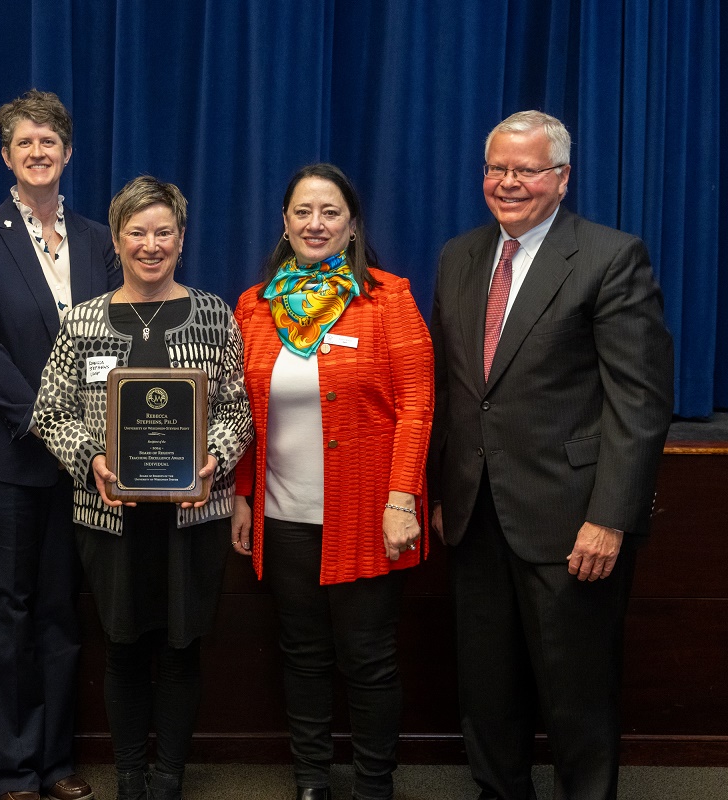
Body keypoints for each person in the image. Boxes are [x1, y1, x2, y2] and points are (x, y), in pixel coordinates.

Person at [429, 111, 673, 800]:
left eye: (525, 170)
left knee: (578, 700)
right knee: (487, 695)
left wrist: (611, 518)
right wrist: (443, 493)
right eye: (496, 169)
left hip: (571, 525)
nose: (508, 183)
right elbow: (457, 392)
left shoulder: (610, 256)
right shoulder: (459, 256)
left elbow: (639, 402)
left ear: (561, 178)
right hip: (475, 518)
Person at [33, 176, 252, 800]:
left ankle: (169, 777)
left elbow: (238, 409)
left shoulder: (215, 314)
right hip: (109, 515)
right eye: (137, 232)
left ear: (181, 239)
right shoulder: (82, 321)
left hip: (194, 513)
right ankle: (130, 774)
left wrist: (214, 459)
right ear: (118, 239)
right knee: (123, 644)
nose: (149, 245)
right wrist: (94, 458)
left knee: (183, 647)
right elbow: (52, 412)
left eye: (163, 232)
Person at [230, 163, 434, 800]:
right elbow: (240, 411)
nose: (316, 224)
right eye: (303, 213)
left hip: (370, 516)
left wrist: (403, 497)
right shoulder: (255, 307)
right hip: (284, 515)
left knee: (369, 661)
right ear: (285, 225)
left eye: (330, 213)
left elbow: (418, 403)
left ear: (351, 226)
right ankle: (312, 780)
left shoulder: (388, 298)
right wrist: (242, 497)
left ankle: (375, 784)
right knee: (303, 654)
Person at [0, 90, 119, 800]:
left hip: (82, 465)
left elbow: (113, 339)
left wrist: (85, 440)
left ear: (68, 152)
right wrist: (51, 425)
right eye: (25, 143)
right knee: (5, 615)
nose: (38, 152)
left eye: (50, 141)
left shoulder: (95, 238)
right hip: (5, 459)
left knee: (60, 610)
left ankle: (55, 762)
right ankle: (10, 768)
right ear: (6, 156)